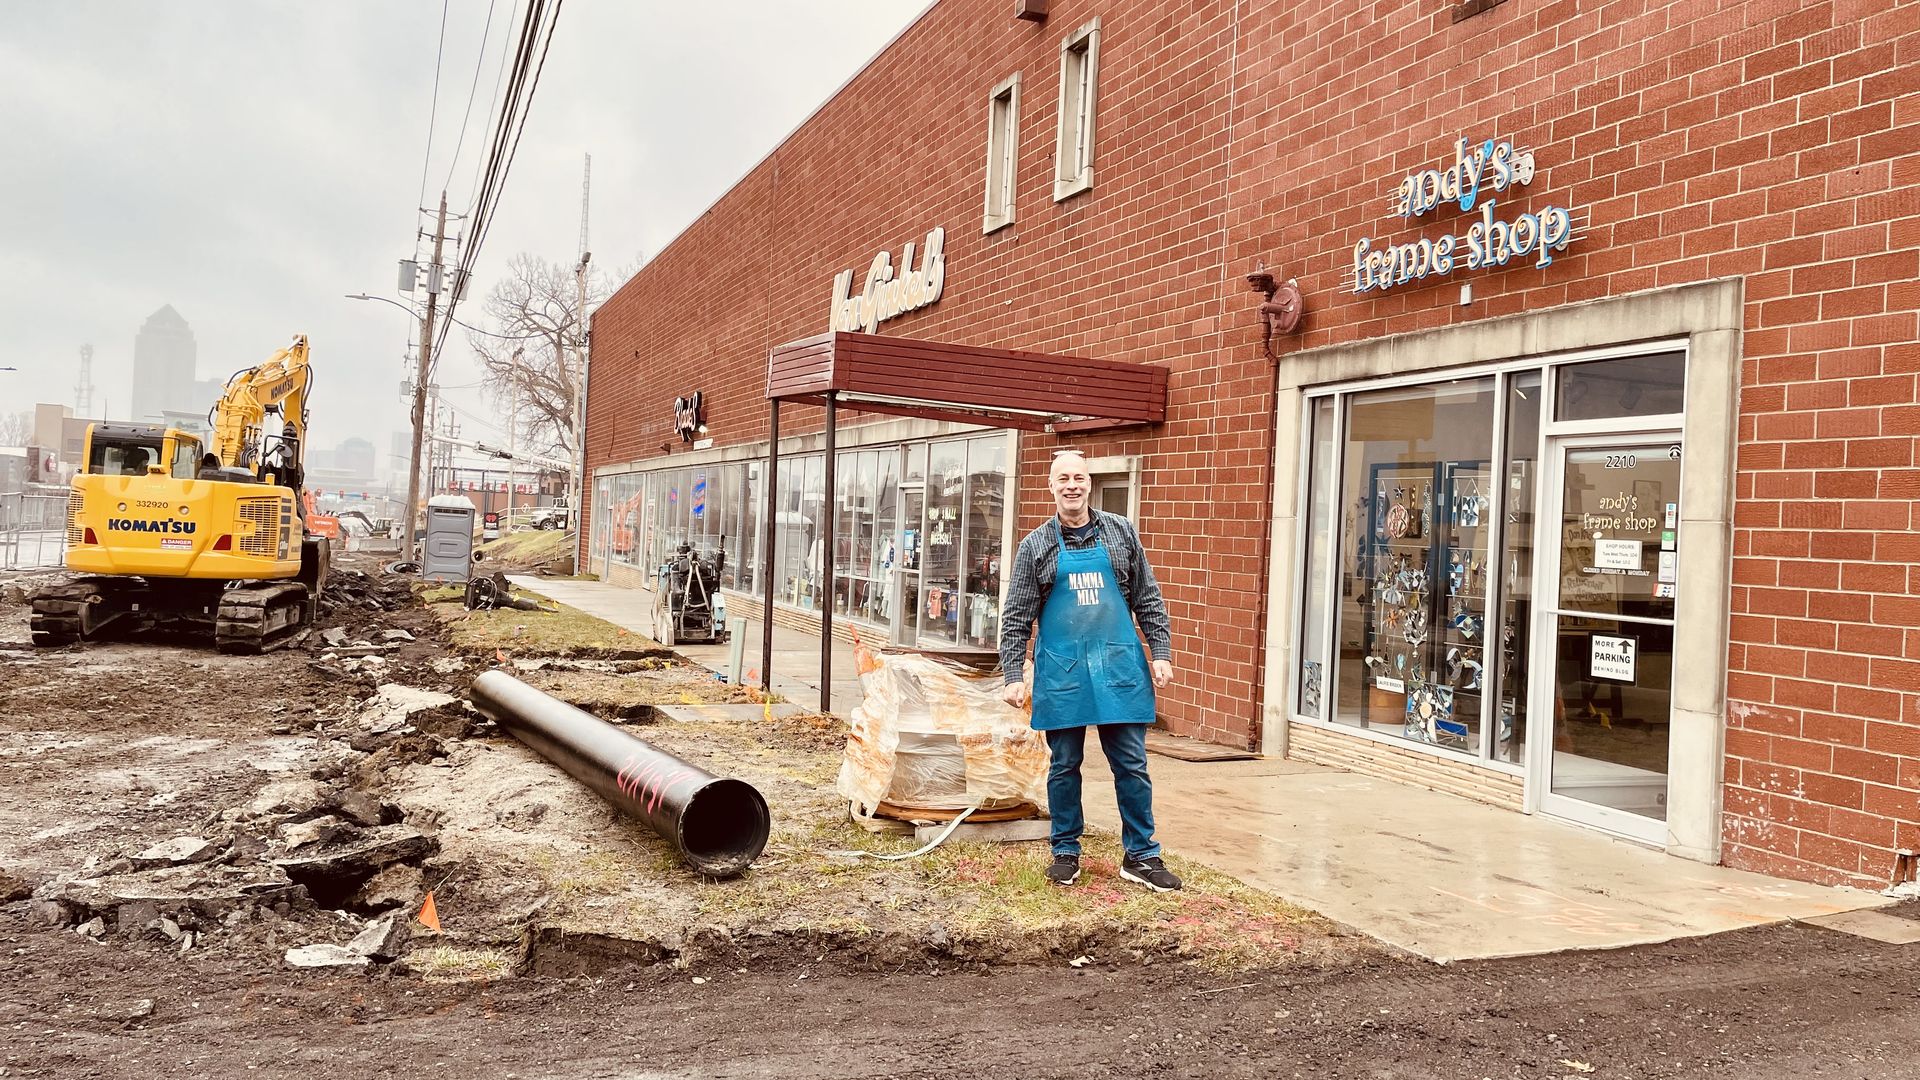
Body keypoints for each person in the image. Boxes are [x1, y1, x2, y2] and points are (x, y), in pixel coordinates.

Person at [999, 450, 1181, 892]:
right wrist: (1012, 675)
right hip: (1063, 672)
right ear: (1051, 486)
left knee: (1132, 765)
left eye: (1078, 477)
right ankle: (1065, 851)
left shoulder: (1121, 532)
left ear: (1089, 483)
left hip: (1118, 667)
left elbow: (1148, 597)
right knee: (1065, 765)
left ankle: (1141, 855)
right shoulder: (1035, 546)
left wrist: (1160, 651)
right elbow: (1016, 616)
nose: (1072, 486)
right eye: (1063, 478)